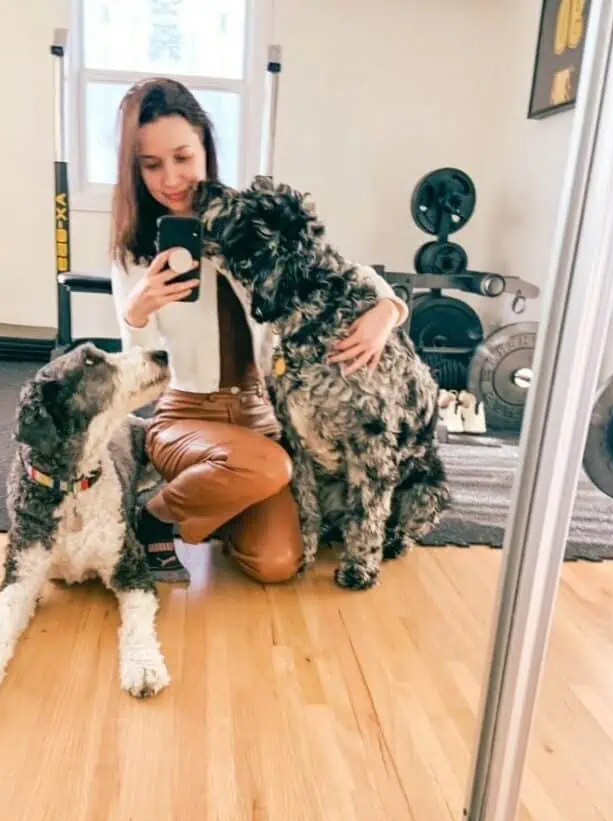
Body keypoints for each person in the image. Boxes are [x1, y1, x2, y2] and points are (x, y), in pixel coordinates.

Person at [110, 78, 409, 585]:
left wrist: (388, 310)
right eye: (151, 165)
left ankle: (218, 499)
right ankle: (154, 515)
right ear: (135, 169)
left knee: (277, 563)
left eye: (183, 156)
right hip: (185, 415)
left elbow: (337, 266)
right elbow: (138, 368)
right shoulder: (137, 250)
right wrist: (136, 314)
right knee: (269, 467)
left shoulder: (247, 221)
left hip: (261, 416)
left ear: (205, 144)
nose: (171, 179)